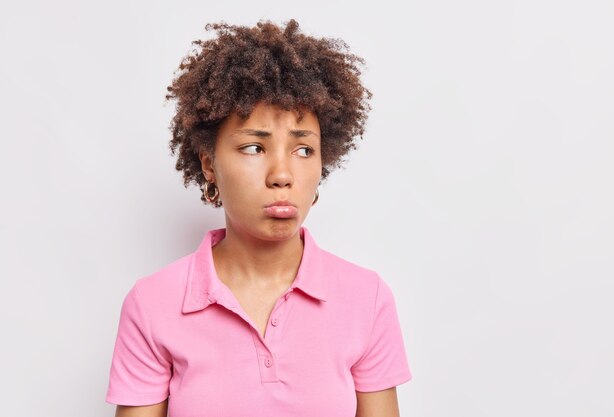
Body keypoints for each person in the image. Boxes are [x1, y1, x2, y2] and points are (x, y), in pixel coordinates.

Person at [106, 19, 412, 417]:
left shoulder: (366, 299)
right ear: (209, 165)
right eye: (254, 147)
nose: (282, 175)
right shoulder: (152, 305)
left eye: (304, 150)